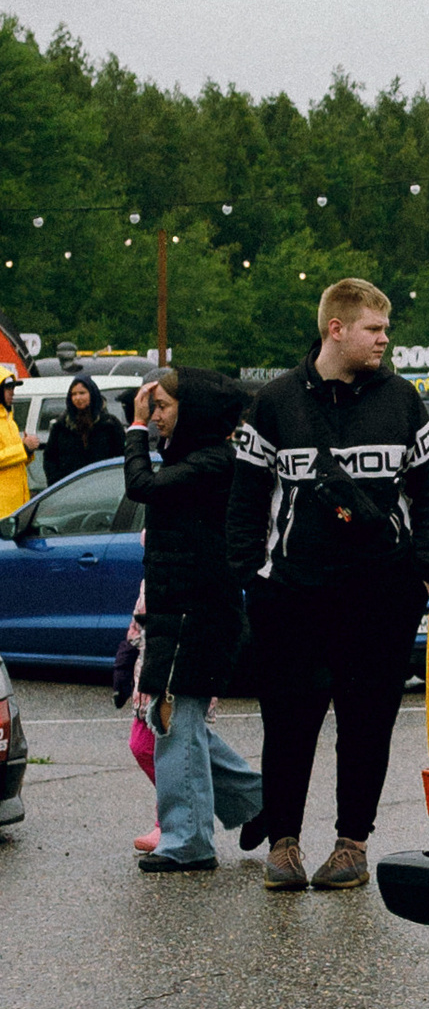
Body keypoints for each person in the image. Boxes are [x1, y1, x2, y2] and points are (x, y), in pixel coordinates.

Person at [228, 277, 429, 893]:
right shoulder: (274, 403)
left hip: (381, 599)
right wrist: (255, 576)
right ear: (337, 329)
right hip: (292, 597)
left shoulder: (404, 401)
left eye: (385, 330)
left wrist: (419, 575)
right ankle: (284, 845)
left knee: (367, 722)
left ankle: (352, 844)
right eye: (375, 329)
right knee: (289, 721)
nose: (384, 340)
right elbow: (245, 500)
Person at [126, 371, 266, 873]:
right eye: (151, 407)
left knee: (173, 721)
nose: (154, 414)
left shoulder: (213, 462)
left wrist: (136, 430)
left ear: (195, 409)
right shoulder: (194, 457)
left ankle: (187, 840)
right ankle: (257, 802)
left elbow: (141, 486)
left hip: (198, 611)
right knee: (182, 726)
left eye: (162, 405)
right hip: (179, 607)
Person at [45, 370, 123, 487]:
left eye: (82, 393)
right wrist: (57, 484)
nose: (78, 398)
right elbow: (50, 459)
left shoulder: (109, 424)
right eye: (74, 394)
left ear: (92, 394)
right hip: (70, 489)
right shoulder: (61, 426)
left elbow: (120, 456)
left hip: (103, 488)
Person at [0, 371, 27, 521]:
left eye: (14, 388)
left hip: (17, 504)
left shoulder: (10, 421)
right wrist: (24, 449)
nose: (12, 393)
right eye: (8, 388)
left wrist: (28, 453)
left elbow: (15, 461)